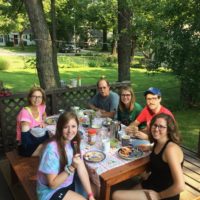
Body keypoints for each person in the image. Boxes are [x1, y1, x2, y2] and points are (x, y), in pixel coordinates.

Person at [112, 113, 185, 200]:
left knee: (116, 195)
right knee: (127, 193)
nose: (156, 129)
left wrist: (159, 196)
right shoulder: (158, 143)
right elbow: (159, 155)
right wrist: (148, 147)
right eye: (155, 125)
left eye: (161, 126)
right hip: (152, 183)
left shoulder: (170, 150)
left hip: (164, 193)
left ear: (169, 130)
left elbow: (180, 186)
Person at [37, 111, 95, 200]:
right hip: (50, 192)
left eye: (73, 126)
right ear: (60, 128)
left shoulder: (74, 143)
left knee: (95, 191)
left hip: (67, 184)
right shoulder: (51, 150)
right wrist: (72, 167)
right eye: (65, 127)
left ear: (77, 127)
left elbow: (82, 169)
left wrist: (90, 195)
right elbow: (52, 185)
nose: (70, 131)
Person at [16, 86, 49, 157]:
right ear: (30, 97)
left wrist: (43, 121)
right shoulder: (25, 112)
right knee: (52, 151)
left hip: (40, 138)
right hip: (28, 146)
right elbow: (25, 140)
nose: (37, 99)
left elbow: (44, 114)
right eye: (34, 96)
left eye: (40, 97)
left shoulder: (41, 106)